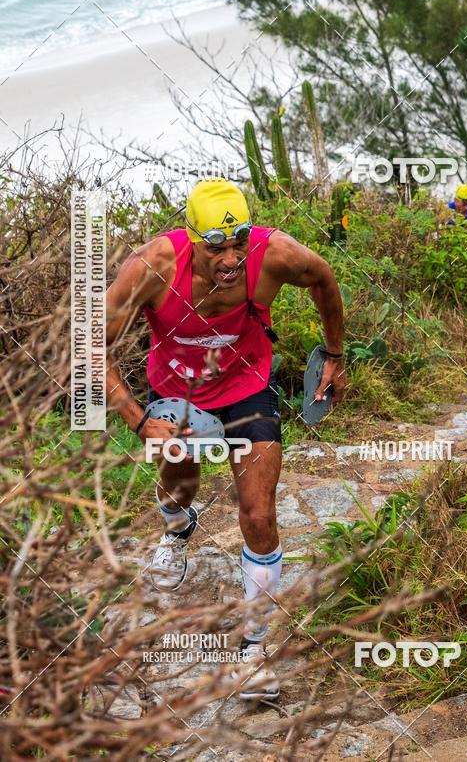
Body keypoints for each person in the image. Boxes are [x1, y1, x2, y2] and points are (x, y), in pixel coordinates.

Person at [105, 178, 346, 699]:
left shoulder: (274, 254)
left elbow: (324, 279)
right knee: (180, 487)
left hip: (246, 385)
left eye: (239, 244)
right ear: (192, 238)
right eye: (217, 247)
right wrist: (137, 420)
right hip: (179, 392)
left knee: (258, 514)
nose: (232, 258)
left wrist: (334, 354)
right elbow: (88, 343)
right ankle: (176, 530)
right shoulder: (151, 267)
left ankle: (252, 649)